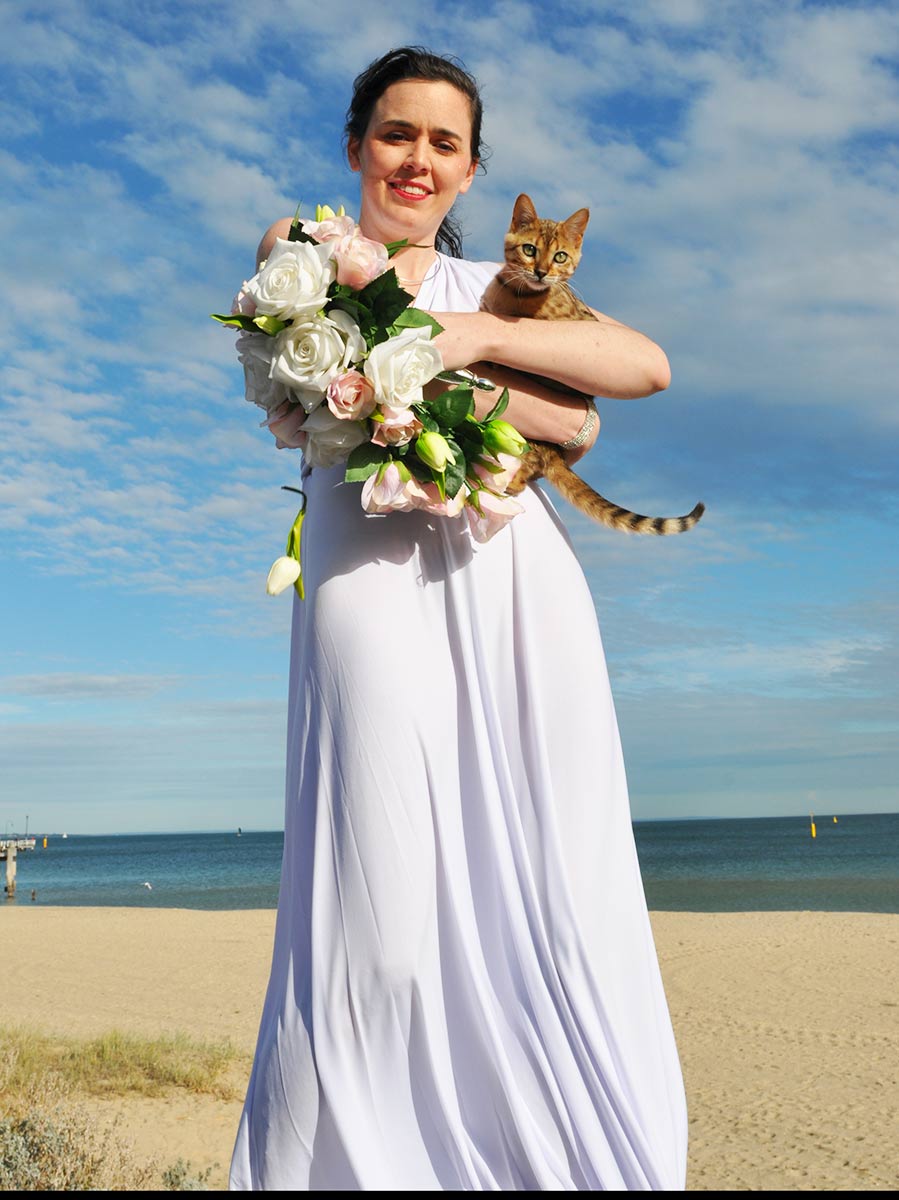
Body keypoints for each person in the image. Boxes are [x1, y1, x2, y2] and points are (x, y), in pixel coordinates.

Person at [230, 46, 687, 1191]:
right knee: (374, 896)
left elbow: (636, 370)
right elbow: (559, 420)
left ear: (474, 168)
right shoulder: (304, 255)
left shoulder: (494, 289)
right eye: (395, 133)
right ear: (355, 147)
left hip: (513, 584)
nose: (417, 159)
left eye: (443, 142)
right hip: (365, 582)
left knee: (552, 868)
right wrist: (531, 402)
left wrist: (478, 339)